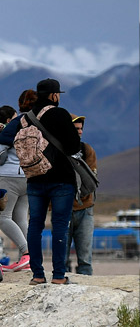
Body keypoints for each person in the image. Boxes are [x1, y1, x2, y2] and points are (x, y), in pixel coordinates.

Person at [23, 78, 82, 285]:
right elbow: (74, 147)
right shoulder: (60, 114)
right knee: (59, 226)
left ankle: (37, 275)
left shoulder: (26, 118)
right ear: (54, 95)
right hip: (61, 179)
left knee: (35, 226)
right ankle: (58, 276)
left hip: (34, 179)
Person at [0, 104, 30, 271]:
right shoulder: (31, 127)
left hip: (9, 177)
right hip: (27, 176)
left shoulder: (10, 129)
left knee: (2, 217)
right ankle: (28, 261)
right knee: (21, 219)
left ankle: (26, 252)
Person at [65, 115, 98, 275]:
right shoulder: (58, 151)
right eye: (75, 128)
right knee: (62, 259)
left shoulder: (87, 150)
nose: (79, 132)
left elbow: (91, 179)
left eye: (80, 128)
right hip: (63, 210)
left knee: (85, 259)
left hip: (85, 209)